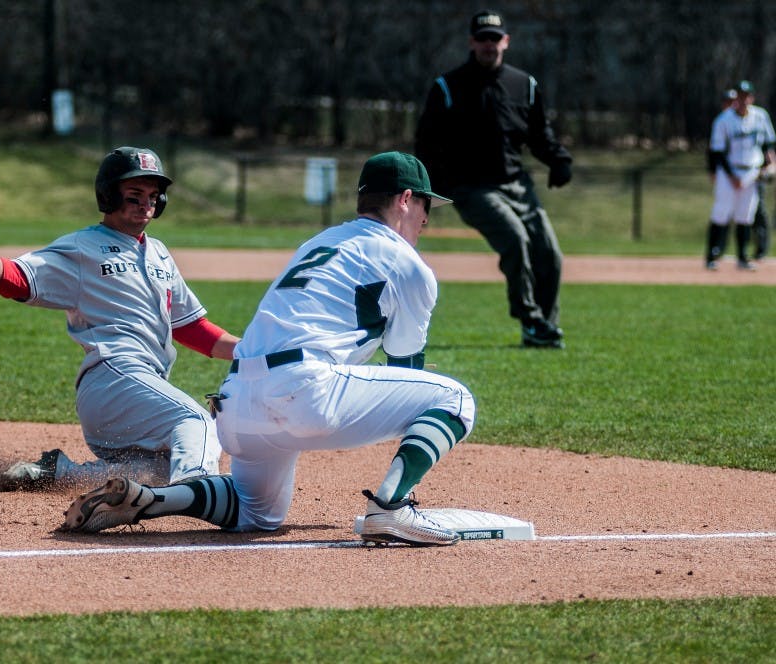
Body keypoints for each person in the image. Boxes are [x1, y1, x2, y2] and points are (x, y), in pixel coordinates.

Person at [58, 151, 477, 548]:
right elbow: (408, 366)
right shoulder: (408, 263)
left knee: (256, 512)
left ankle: (152, 499)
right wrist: (407, 476)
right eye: (425, 206)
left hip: (237, 403)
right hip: (307, 390)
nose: (426, 219)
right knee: (456, 399)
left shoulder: (320, 242)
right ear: (405, 199)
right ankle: (391, 508)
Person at [0, 147, 239, 490]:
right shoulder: (84, 246)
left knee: (158, 470)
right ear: (109, 196)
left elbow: (190, 327)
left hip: (138, 394)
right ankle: (199, 495)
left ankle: (56, 473)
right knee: (198, 422)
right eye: (135, 195)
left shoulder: (159, 254)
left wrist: (251, 351)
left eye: (154, 196)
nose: (146, 204)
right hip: (114, 379)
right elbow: (13, 281)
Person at [414, 9, 572, 349]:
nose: (489, 45)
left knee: (550, 254)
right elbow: (427, 143)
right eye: (482, 38)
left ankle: (542, 328)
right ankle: (530, 318)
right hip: (472, 188)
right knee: (515, 240)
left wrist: (558, 161)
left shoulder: (524, 85)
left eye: (495, 38)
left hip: (517, 184)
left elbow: (540, 135)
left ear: (506, 41)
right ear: (472, 42)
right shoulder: (448, 88)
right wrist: (431, 189)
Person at [705, 80, 776, 271]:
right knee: (721, 212)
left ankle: (743, 258)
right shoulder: (723, 120)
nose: (744, 100)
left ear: (752, 97)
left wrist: (770, 161)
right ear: (735, 98)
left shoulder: (761, 117)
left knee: (745, 216)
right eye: (740, 96)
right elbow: (717, 152)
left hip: (752, 172)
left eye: (747, 96)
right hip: (729, 171)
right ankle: (711, 255)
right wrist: (732, 177)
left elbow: (768, 144)